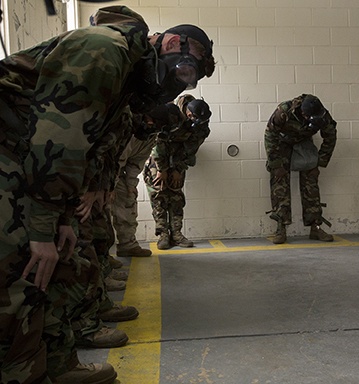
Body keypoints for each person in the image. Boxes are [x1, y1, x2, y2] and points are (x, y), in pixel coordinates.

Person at [0, 5, 215, 383]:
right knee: (21, 266)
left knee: (62, 257)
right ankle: (19, 373)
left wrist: (64, 219)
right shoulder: (105, 50)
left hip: (31, 155)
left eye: (189, 79)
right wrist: (42, 227)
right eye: (183, 70)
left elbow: (93, 146)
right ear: (169, 43)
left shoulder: (127, 78)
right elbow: (59, 138)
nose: (180, 82)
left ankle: (58, 362)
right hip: (10, 145)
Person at [265, 94, 337, 244]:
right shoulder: (283, 111)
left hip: (303, 143)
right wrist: (276, 164)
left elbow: (330, 136)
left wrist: (320, 162)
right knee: (279, 182)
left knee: (311, 181)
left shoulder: (322, 114)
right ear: (304, 114)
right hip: (281, 143)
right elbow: (270, 135)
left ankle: (315, 226)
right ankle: (281, 227)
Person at [144, 95, 212, 250]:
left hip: (178, 158)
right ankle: (163, 235)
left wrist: (178, 169)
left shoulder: (201, 123)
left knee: (175, 194)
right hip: (158, 156)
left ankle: (176, 234)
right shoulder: (168, 112)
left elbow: (191, 148)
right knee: (159, 192)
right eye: (191, 118)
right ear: (188, 114)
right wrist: (162, 169)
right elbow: (157, 142)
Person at [110, 118, 158, 258]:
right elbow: (116, 158)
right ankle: (102, 256)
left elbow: (137, 160)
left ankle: (127, 245)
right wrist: (110, 186)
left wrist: (130, 184)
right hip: (105, 170)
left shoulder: (151, 135)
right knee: (102, 208)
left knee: (128, 198)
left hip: (119, 171)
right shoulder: (129, 128)